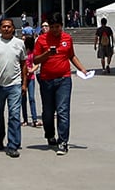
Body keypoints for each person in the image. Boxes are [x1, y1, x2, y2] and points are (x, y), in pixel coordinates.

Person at [32, 12, 88, 154]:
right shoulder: (41, 40)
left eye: (58, 27)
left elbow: (71, 56)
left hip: (64, 79)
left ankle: (63, 141)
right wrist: (47, 54)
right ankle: (50, 135)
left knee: (63, 110)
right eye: (52, 27)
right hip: (46, 80)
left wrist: (82, 68)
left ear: (62, 26)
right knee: (48, 112)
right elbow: (36, 60)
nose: (55, 30)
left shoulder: (67, 39)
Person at [0, 17, 27, 156]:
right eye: (4, 26)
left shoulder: (19, 43)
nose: (6, 29)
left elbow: (24, 64)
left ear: (13, 28)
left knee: (14, 115)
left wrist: (24, 83)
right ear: (0, 28)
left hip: (14, 84)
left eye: (9, 26)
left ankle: (13, 145)